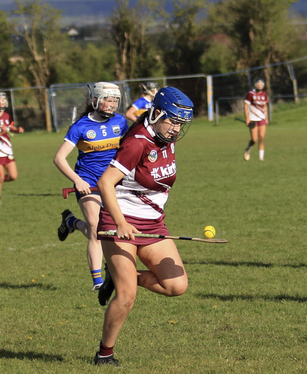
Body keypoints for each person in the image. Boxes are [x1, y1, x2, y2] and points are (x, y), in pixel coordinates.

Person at [92, 87, 193, 367]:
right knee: (126, 298)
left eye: (181, 124)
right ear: (157, 113)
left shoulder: (166, 138)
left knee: (176, 285)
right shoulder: (137, 142)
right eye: (173, 121)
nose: (176, 129)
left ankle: (120, 275)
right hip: (118, 222)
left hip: (152, 224)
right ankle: (104, 355)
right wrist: (121, 222)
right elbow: (105, 183)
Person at [54, 82, 129, 291]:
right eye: (108, 99)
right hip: (88, 182)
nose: (112, 104)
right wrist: (78, 181)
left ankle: (71, 223)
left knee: (113, 229)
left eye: (115, 100)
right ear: (95, 99)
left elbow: (130, 150)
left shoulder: (121, 122)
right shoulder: (80, 126)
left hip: (113, 183)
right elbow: (59, 158)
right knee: (97, 229)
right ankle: (97, 282)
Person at [243, 77, 269, 161]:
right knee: (254, 139)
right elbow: (246, 106)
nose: (260, 86)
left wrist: (266, 118)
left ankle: (261, 157)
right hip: (253, 119)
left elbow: (265, 106)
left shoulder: (264, 94)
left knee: (261, 137)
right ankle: (248, 148)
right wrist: (247, 118)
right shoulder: (251, 93)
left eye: (261, 84)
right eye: (258, 84)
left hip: (262, 119)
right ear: (255, 85)